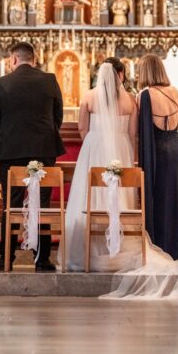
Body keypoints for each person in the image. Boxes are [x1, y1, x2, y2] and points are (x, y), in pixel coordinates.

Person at [0, 42, 65, 271]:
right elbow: (58, 117)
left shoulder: (2, 83)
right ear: (34, 59)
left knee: (10, 207)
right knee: (41, 204)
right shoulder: (49, 80)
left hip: (9, 152)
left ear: (13, 59)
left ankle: (6, 258)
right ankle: (42, 258)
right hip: (43, 150)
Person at [62, 58, 138, 272]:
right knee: (119, 195)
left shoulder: (88, 96)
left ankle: (87, 249)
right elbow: (133, 134)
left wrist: (94, 142)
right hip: (121, 148)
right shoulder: (130, 100)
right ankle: (118, 247)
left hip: (93, 148)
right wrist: (124, 149)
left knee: (88, 195)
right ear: (120, 74)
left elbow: (81, 128)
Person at [137, 54, 178, 260]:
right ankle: (175, 248)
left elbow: (140, 130)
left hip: (156, 150)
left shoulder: (145, 95)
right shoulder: (174, 91)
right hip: (175, 147)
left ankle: (159, 246)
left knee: (157, 198)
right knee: (175, 198)